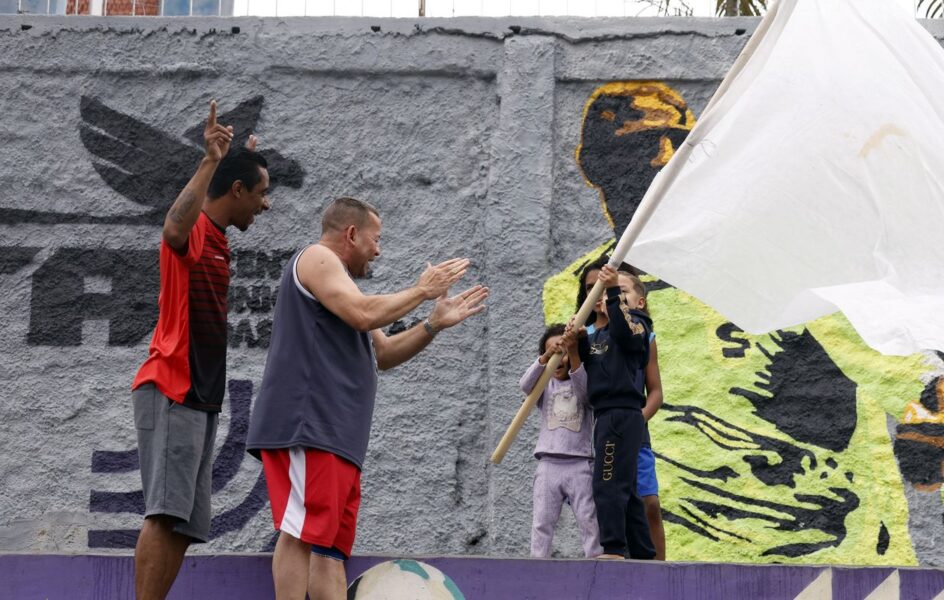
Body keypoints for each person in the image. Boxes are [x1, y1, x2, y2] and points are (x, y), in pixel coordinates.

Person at [245, 196, 488, 600]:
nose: (379, 250)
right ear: (351, 234)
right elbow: (362, 313)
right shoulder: (318, 259)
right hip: (309, 427)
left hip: (338, 438)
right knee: (301, 533)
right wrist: (422, 291)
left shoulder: (344, 286)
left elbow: (385, 353)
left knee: (330, 550)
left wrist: (432, 324)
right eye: (375, 240)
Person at [130, 101, 271, 600]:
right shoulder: (194, 233)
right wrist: (212, 160)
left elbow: (231, 197)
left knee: (186, 524)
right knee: (164, 512)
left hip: (202, 395)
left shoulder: (220, 238)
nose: (266, 204)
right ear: (235, 192)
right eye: (260, 194)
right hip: (173, 384)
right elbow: (172, 228)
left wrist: (244, 163)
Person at [578, 260, 667, 560]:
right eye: (600, 291)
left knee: (608, 482)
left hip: (622, 414)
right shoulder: (593, 334)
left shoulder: (636, 326)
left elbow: (623, 328)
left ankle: (614, 548)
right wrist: (570, 343)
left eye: (616, 291)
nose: (605, 295)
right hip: (605, 415)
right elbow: (580, 372)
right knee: (626, 490)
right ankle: (643, 553)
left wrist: (614, 291)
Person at [521, 322, 602, 558]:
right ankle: (537, 564)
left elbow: (587, 395)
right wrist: (546, 357)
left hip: (580, 464)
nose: (559, 358)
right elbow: (525, 385)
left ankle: (595, 562)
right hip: (548, 464)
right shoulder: (544, 387)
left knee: (589, 520)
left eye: (563, 353)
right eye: (553, 352)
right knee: (542, 522)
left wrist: (573, 353)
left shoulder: (582, 380)